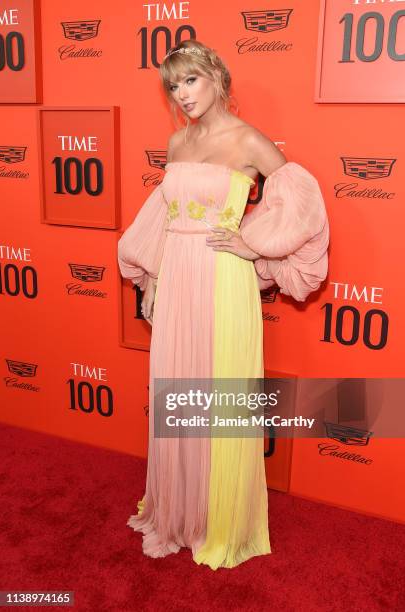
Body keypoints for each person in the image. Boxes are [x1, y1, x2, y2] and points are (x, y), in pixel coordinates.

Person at [117, 39, 330, 570]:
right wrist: (150, 281)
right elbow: (164, 217)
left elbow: (300, 204)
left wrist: (253, 244)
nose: (182, 94)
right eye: (173, 85)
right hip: (178, 279)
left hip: (223, 279)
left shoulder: (248, 140)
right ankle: (178, 512)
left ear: (216, 76)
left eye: (190, 80)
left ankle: (221, 522)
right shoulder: (176, 142)